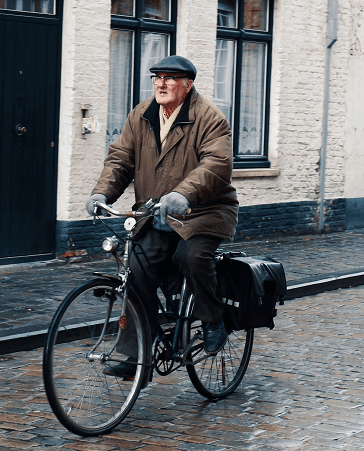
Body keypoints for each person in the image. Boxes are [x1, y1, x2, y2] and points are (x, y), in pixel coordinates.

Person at [86, 55, 238, 378]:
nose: (162, 84)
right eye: (157, 77)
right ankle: (135, 353)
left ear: (188, 84)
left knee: (191, 256)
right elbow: (121, 159)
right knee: (136, 267)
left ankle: (213, 319)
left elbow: (216, 164)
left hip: (204, 212)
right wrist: (102, 193)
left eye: (170, 78)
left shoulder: (210, 119)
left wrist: (183, 194)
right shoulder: (141, 115)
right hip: (156, 214)